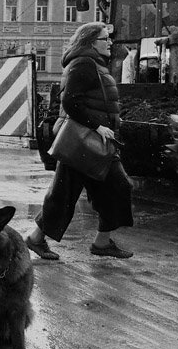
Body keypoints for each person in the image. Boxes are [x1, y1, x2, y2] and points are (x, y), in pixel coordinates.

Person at [25, 21, 134, 261]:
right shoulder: (84, 63)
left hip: (92, 141)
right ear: (91, 42)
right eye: (105, 39)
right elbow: (70, 102)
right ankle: (36, 238)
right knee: (68, 194)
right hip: (85, 140)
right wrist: (98, 125)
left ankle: (101, 242)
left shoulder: (92, 63)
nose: (110, 42)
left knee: (106, 189)